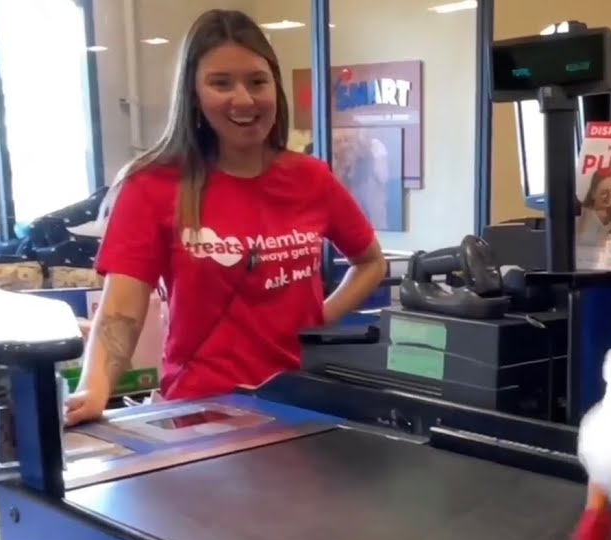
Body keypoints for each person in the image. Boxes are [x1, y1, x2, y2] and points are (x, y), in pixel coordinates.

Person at [64, 9, 386, 426]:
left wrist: (317, 321)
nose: (244, 100)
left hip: (298, 407)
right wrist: (95, 388)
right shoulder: (153, 187)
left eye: (257, 81)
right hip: (202, 416)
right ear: (194, 94)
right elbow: (120, 312)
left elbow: (370, 262)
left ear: (275, 87)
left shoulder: (310, 179)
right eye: (221, 83)